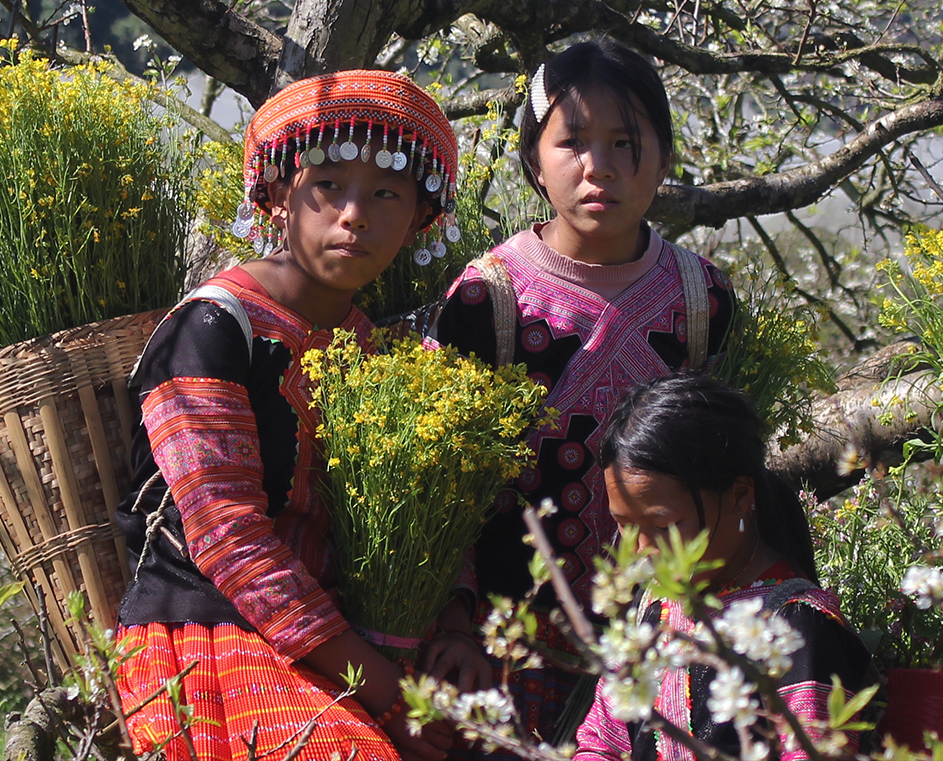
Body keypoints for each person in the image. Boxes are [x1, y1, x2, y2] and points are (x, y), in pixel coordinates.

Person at [114, 70, 463, 761]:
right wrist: (386, 692)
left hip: (333, 645)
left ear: (419, 221)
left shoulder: (377, 352)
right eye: (328, 185)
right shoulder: (215, 327)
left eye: (387, 192)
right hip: (207, 635)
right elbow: (227, 539)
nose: (354, 213)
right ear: (276, 196)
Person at [423, 40, 738, 737]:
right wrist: (453, 618)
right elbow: (440, 482)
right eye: (573, 143)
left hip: (659, 638)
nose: (599, 167)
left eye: (626, 143)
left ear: (663, 158)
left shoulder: (701, 298)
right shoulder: (488, 301)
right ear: (535, 161)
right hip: (509, 645)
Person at [577, 372, 871, 761]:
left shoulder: (797, 627)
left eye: (664, 526)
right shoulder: (651, 608)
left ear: (739, 497)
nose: (642, 551)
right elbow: (603, 743)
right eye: (625, 525)